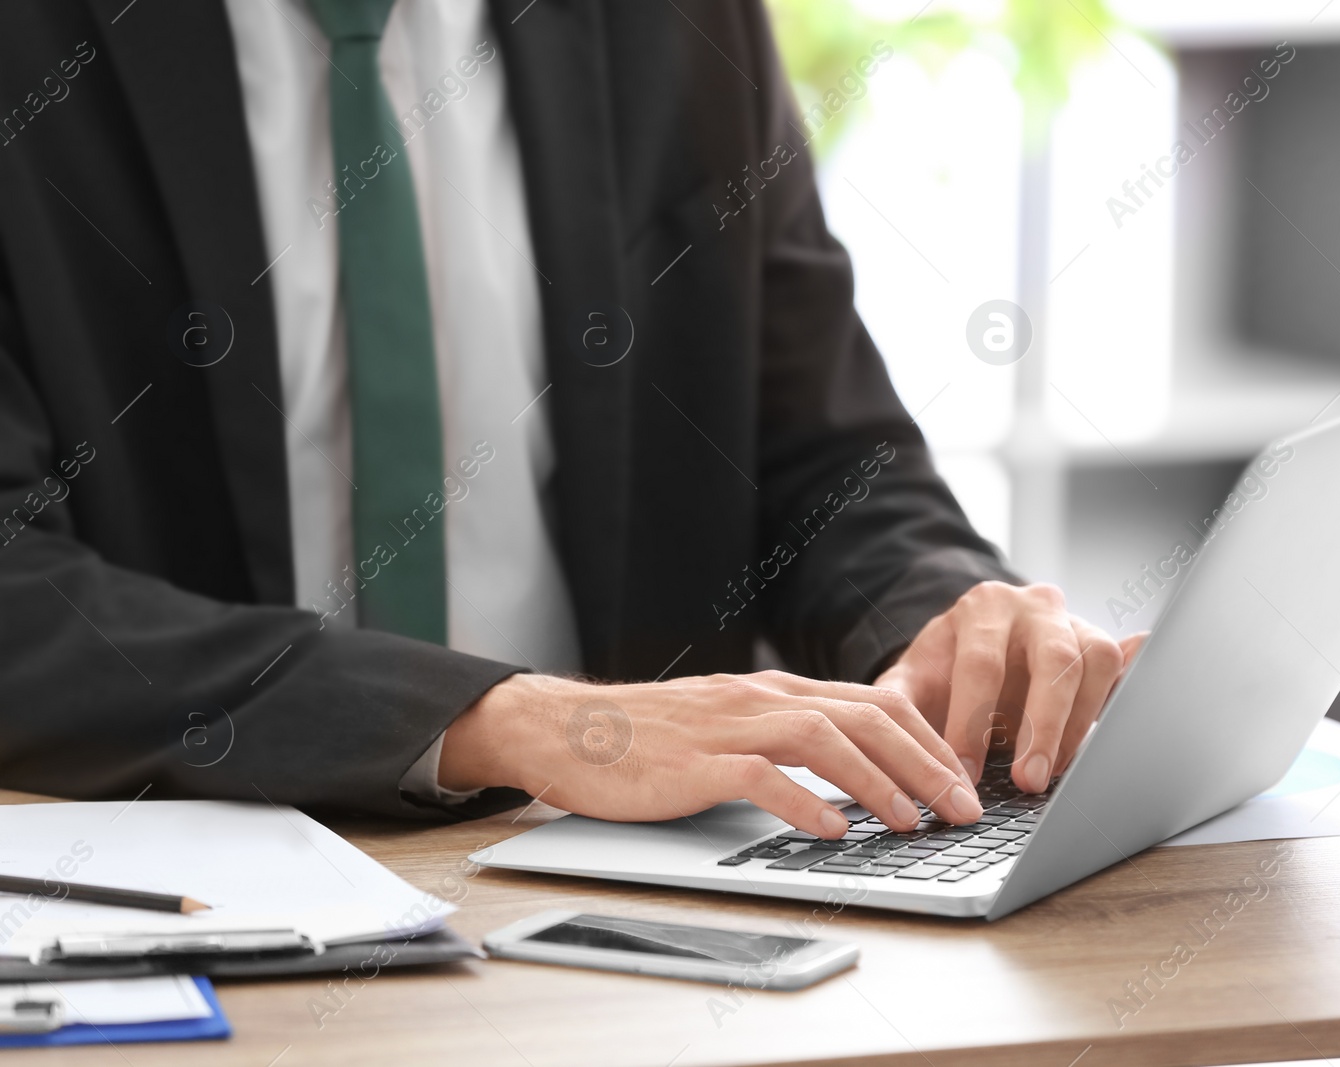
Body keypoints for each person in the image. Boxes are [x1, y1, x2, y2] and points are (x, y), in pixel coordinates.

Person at [0, 0, 1139, 837]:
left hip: (635, 901)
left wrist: (940, 625)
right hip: (200, 875)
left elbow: (817, 456)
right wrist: (503, 721)